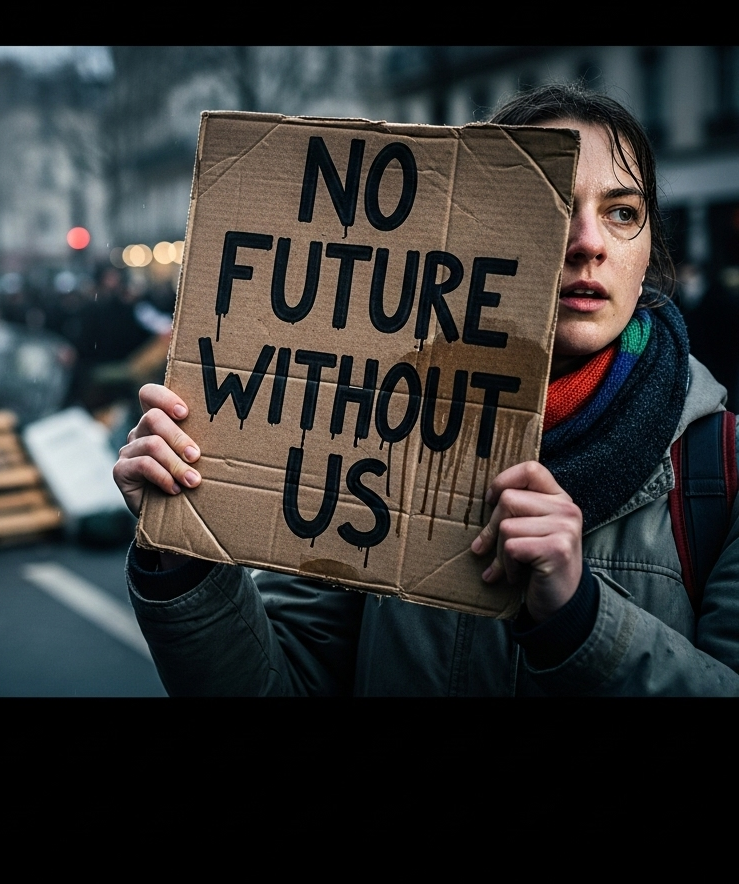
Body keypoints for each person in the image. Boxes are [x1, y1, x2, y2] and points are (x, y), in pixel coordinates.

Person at [112, 84, 739, 696]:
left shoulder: (723, 468)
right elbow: (284, 678)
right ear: (482, 234)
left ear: (649, 241)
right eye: (549, 206)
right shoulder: (369, 431)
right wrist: (186, 558)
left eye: (621, 212)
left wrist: (579, 621)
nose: (589, 244)